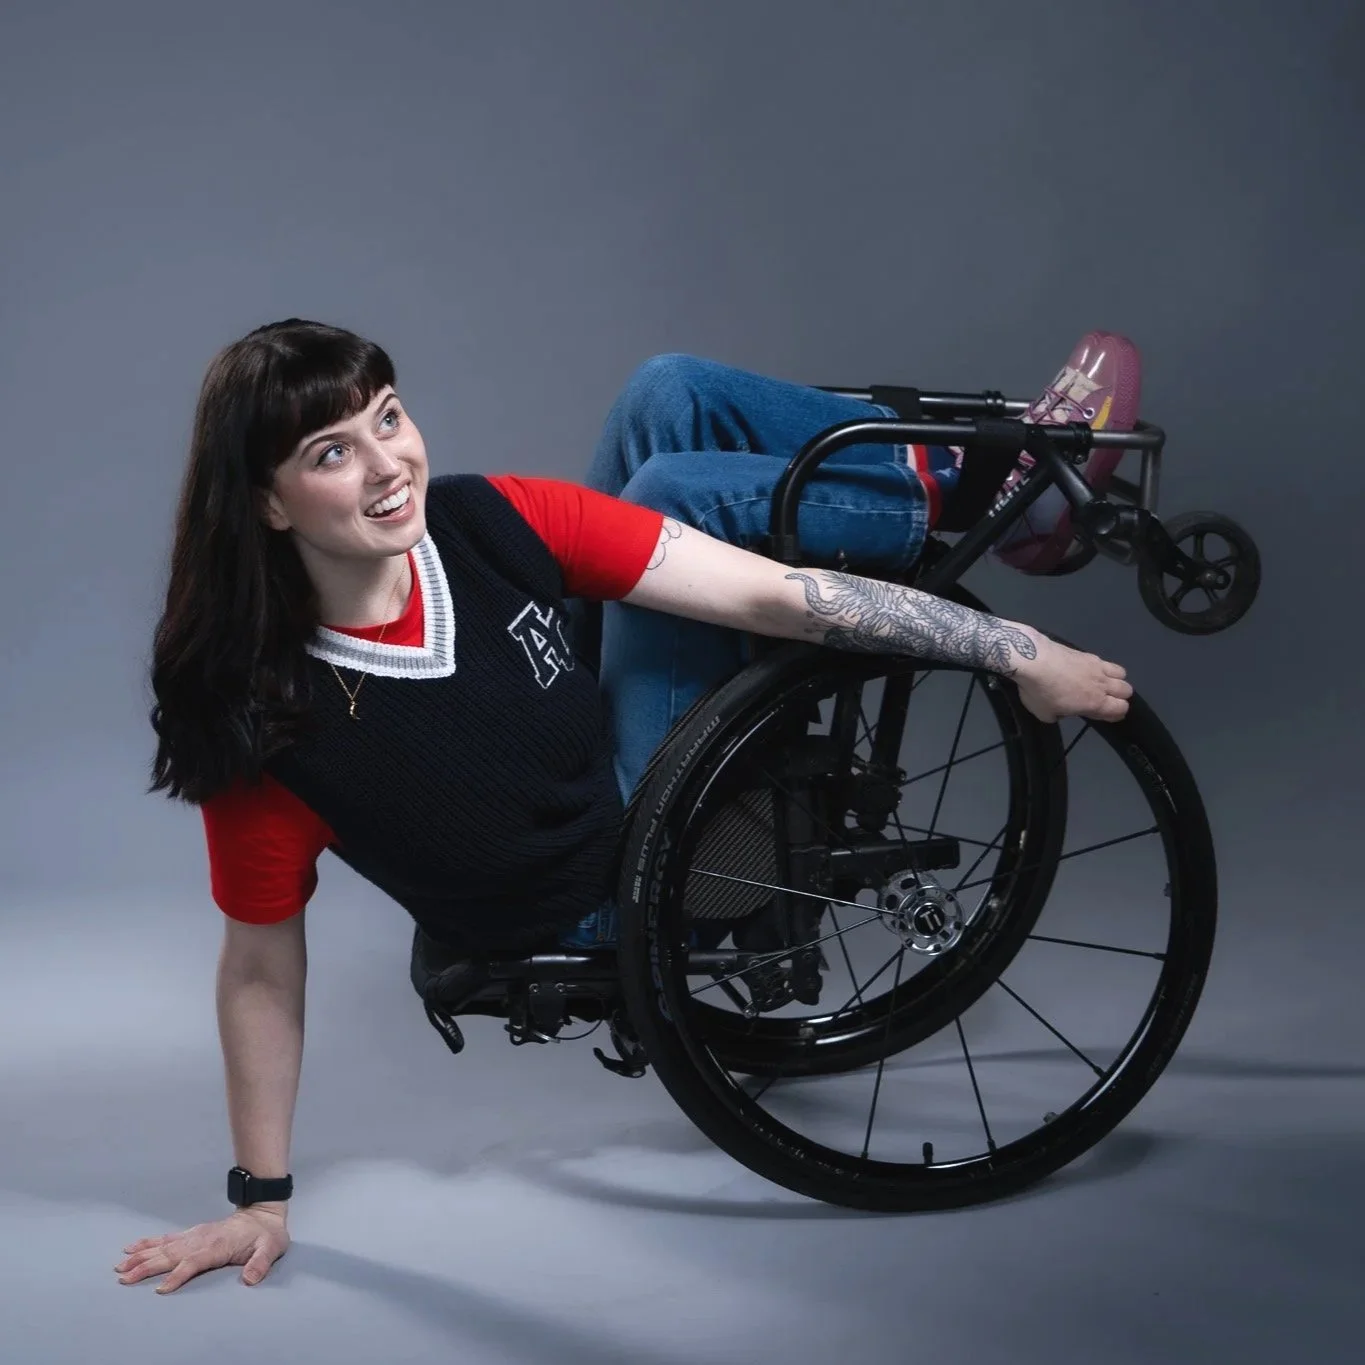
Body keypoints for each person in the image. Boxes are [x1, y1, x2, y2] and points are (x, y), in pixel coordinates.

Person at [116, 320, 1134, 1296]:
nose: (390, 465)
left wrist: (1007, 650)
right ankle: (1002, 490)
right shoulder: (271, 724)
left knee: (668, 391)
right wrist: (260, 1201)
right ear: (269, 505)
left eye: (388, 416)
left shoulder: (480, 521)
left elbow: (773, 593)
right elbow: (259, 968)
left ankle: (990, 479)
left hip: (590, 744)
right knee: (681, 490)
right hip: (609, 878)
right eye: (333, 453)